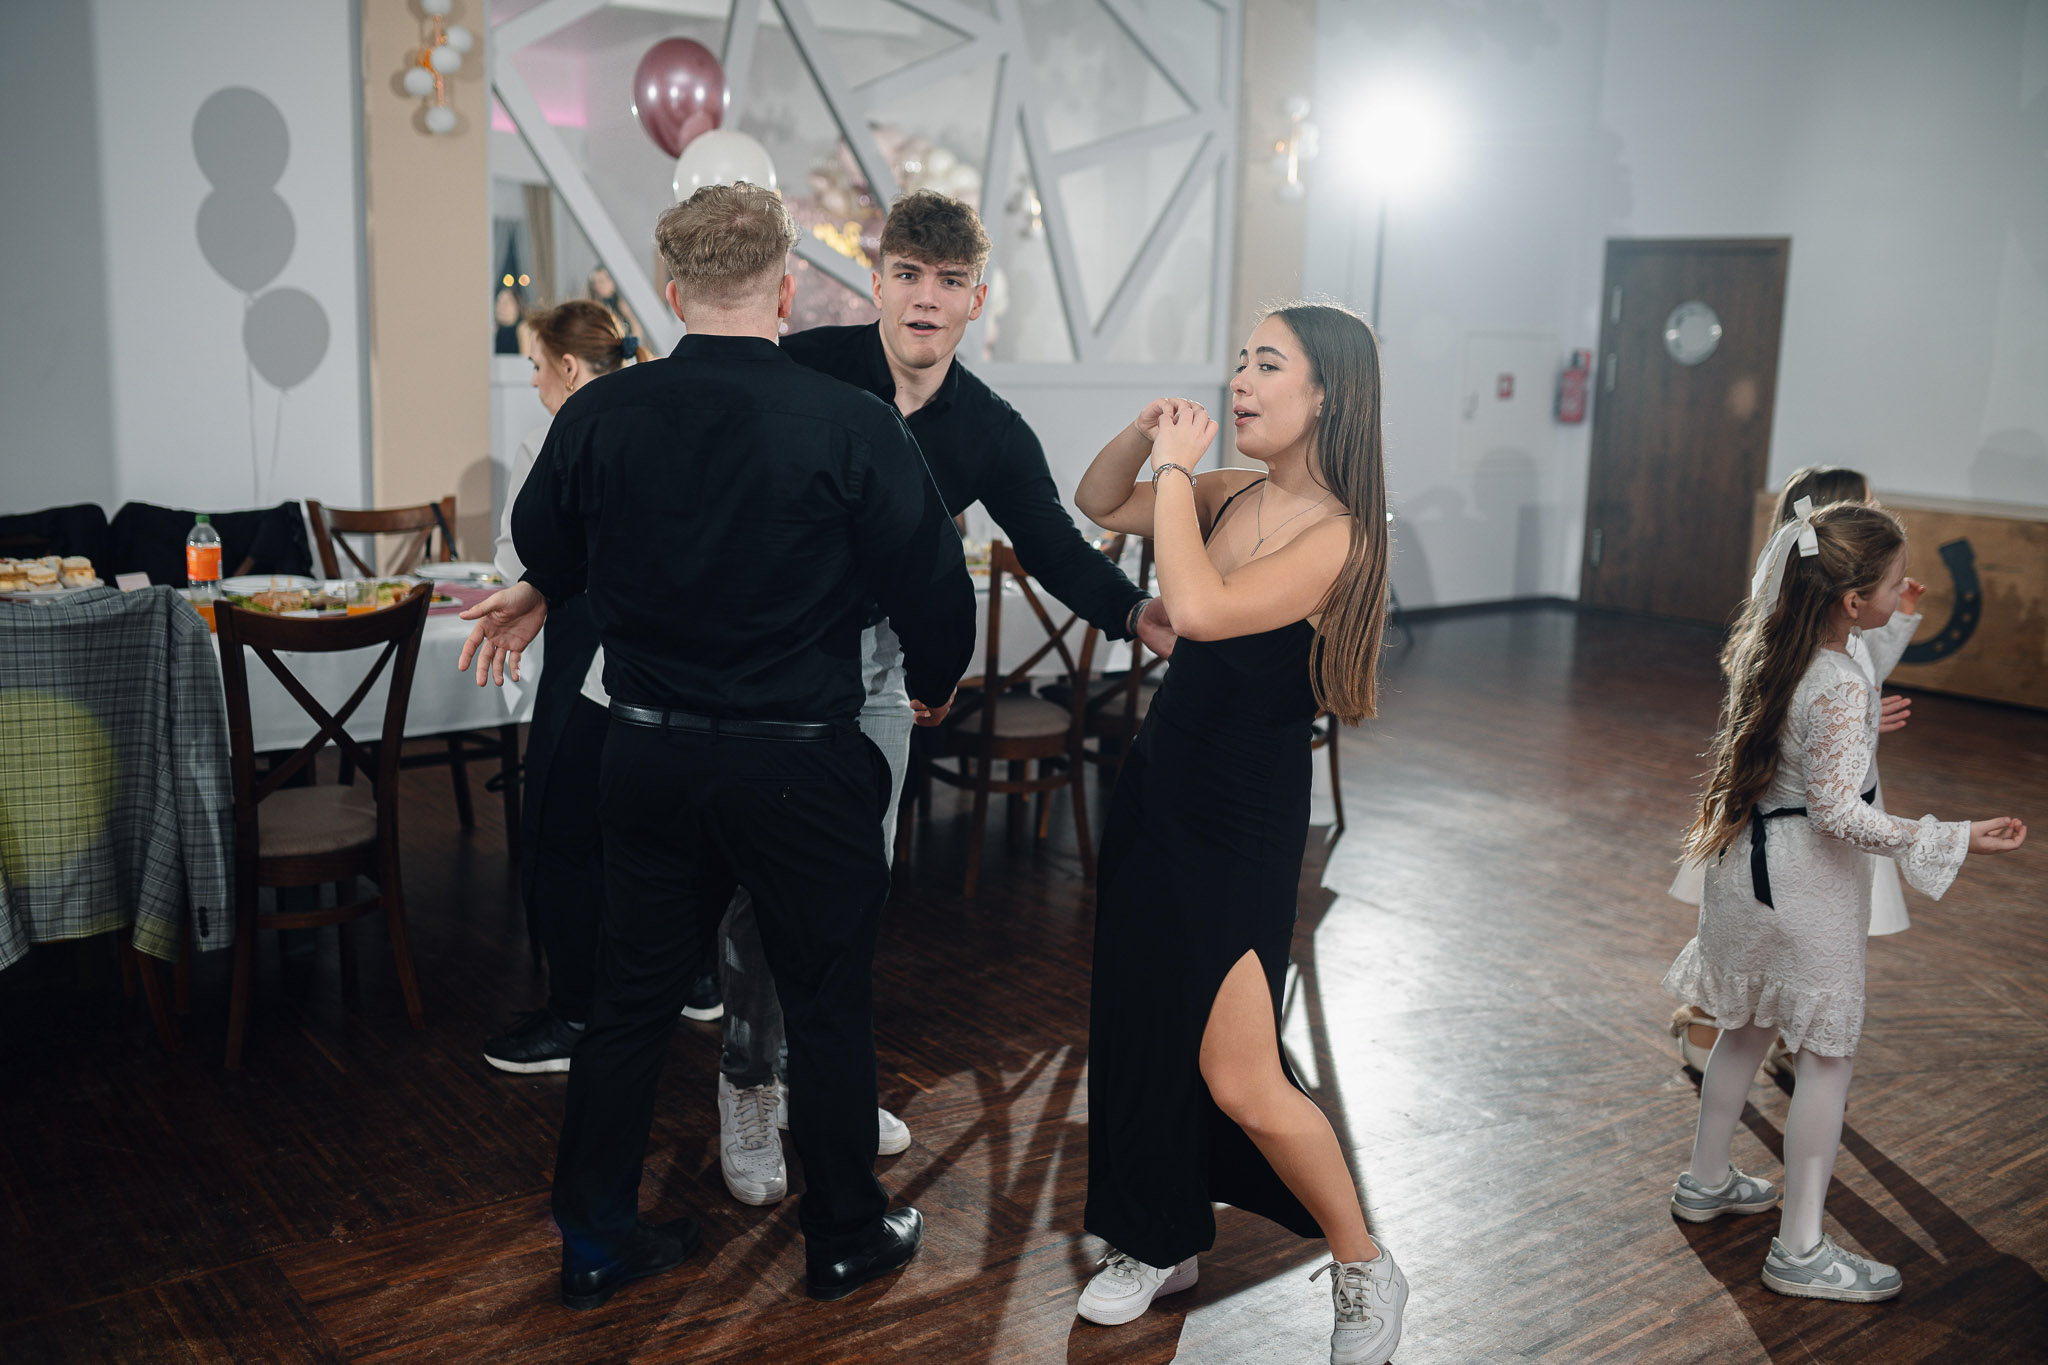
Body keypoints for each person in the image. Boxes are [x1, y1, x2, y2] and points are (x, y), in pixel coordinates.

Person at [458, 183, 977, 1309]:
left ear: (670, 288)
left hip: (647, 750)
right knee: (825, 999)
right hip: (797, 760)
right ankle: (844, 1234)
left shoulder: (599, 414)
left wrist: (553, 586)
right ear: (786, 292)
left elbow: (545, 542)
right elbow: (939, 594)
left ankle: (596, 1240)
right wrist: (931, 684)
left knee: (630, 1002)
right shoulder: (852, 423)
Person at [706, 189, 1177, 1209]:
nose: (926, 298)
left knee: (852, 887)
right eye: (909, 275)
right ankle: (747, 1078)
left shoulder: (989, 428)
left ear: (976, 301)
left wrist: (1133, 612)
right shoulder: (801, 367)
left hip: (878, 668)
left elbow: (1050, 541)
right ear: (875, 284)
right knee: (758, 885)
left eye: (949, 281)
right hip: (768, 662)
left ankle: (819, 1080)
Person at [1070, 303, 1406, 1365]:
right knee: (1139, 1028)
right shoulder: (1229, 493)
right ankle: (1156, 1235)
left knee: (1241, 1077)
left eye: (1267, 366)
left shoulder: (1339, 536)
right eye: (1240, 363)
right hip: (1157, 791)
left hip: (1239, 821)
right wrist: (1146, 436)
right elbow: (1095, 500)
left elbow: (1201, 611)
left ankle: (1364, 1263)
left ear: (1328, 395)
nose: (1241, 382)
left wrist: (1176, 472)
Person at [1662, 498, 2026, 1302]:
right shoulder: (1835, 680)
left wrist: (1859, 729)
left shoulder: (1773, 645)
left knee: (1744, 1027)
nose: (1903, 593)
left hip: (1744, 876)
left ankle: (1706, 1178)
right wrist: (1952, 835)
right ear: (1853, 602)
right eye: (1895, 584)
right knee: (1826, 1059)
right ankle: (1799, 1248)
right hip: (1802, 886)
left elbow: (1815, 741)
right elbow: (1837, 812)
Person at [477, 301, 689, 1076]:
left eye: (537, 366)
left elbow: (521, 555)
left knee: (564, 836)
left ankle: (573, 1012)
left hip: (591, 662)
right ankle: (692, 982)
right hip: (676, 669)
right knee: (660, 839)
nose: (535, 382)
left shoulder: (561, 435)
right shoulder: (668, 421)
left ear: (569, 367)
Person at [1665, 465, 1925, 1075]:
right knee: (1764, 940)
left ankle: (1783, 1036)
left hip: (1821, 799)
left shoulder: (1828, 623)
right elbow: (1810, 703)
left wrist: (1900, 625)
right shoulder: (1792, 622)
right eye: (1867, 504)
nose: (1878, 508)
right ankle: (1713, 1028)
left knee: (1798, 945)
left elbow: (1865, 666)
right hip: (1793, 812)